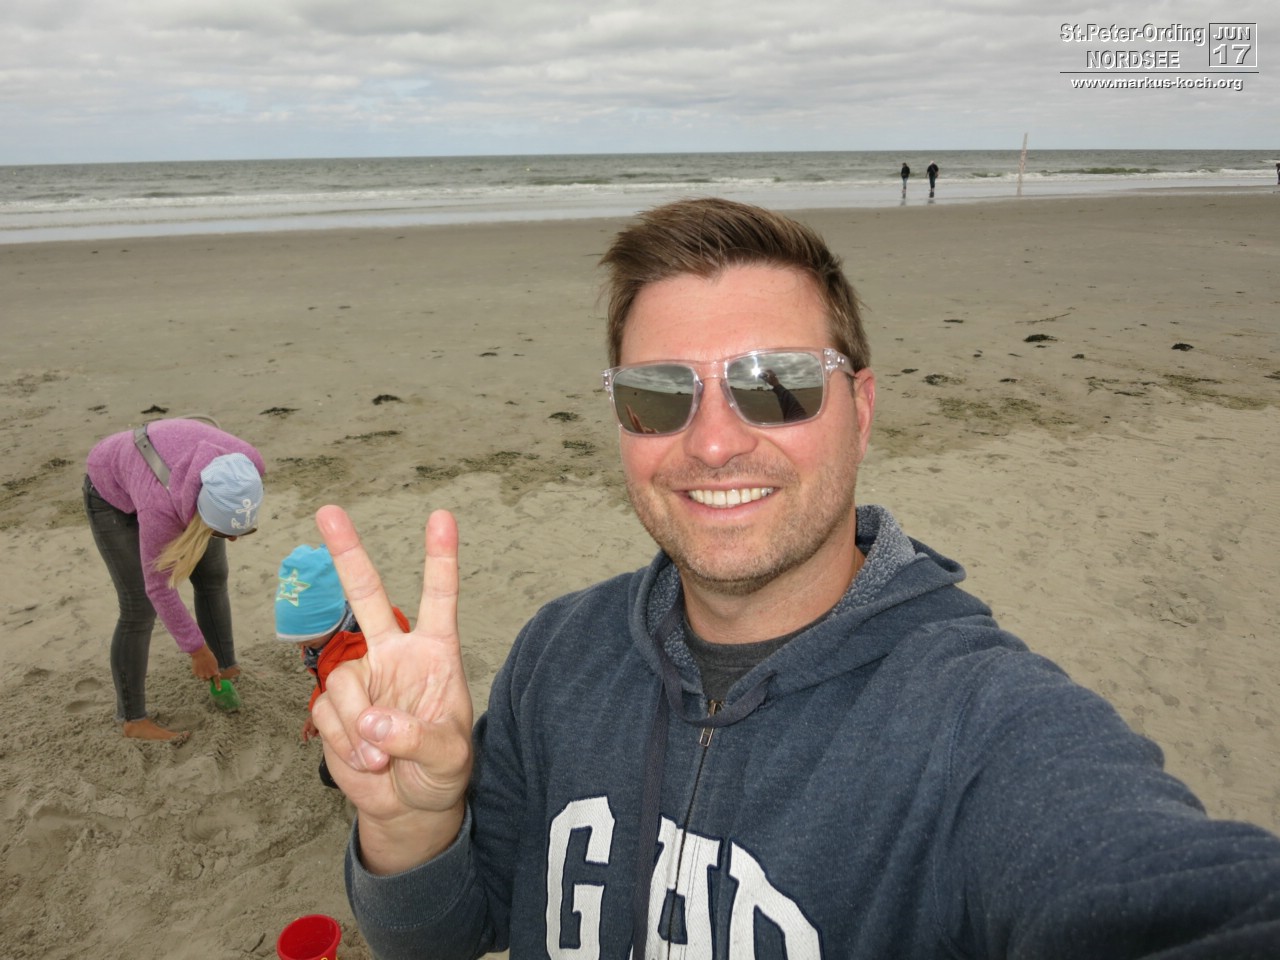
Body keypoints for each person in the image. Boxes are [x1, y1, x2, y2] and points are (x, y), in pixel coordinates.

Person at [312, 198, 1280, 959]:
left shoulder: (983, 727)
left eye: (775, 386)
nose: (713, 442)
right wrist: (413, 828)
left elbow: (1159, 897)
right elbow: (445, 935)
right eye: (658, 393)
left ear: (861, 407)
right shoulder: (558, 657)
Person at [84, 417, 264, 744]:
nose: (233, 540)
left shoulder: (247, 467)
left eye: (242, 531)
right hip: (112, 487)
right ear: (201, 514)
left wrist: (226, 526)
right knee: (138, 606)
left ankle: (227, 667)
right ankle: (133, 719)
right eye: (223, 531)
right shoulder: (160, 509)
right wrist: (197, 650)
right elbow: (159, 588)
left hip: (174, 473)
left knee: (213, 576)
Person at [275, 543, 409, 788]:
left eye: (307, 640)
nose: (302, 647)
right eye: (297, 641)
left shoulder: (364, 647)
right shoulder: (323, 643)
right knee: (331, 774)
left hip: (381, 720)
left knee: (350, 773)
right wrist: (316, 710)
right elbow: (325, 681)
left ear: (329, 622)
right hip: (348, 712)